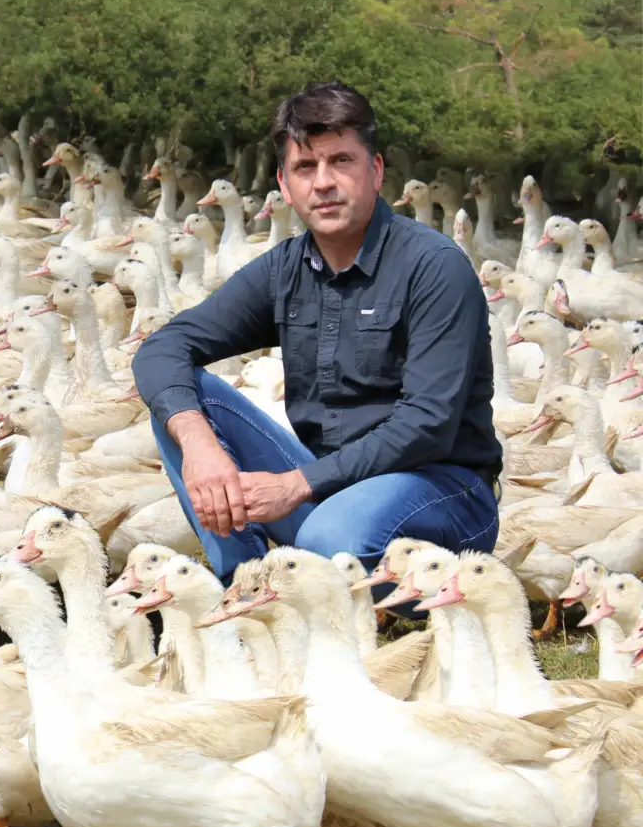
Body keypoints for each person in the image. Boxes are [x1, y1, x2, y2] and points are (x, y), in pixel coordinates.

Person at [131, 81, 500, 575]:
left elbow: (426, 426)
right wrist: (200, 444)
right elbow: (162, 348)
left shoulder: (434, 267)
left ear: (376, 171)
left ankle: (314, 578)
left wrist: (294, 485)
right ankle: (244, 584)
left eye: (341, 161)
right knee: (181, 400)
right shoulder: (284, 269)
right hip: (328, 485)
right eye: (306, 167)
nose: (323, 183)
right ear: (284, 185)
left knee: (331, 538)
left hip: (438, 486)